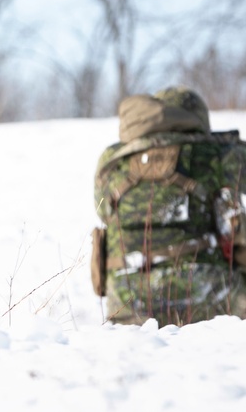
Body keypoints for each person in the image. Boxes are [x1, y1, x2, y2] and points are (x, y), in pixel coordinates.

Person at [92, 86, 246, 326]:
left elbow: (103, 212)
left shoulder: (112, 162)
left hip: (125, 302)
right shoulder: (221, 153)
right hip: (212, 297)